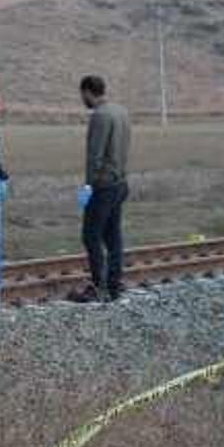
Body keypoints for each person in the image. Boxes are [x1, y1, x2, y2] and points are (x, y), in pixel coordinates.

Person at [70, 75, 131, 303]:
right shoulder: (121, 112)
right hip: (120, 182)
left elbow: (94, 156)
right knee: (113, 236)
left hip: (103, 185)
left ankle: (99, 286)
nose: (82, 99)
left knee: (91, 235)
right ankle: (114, 284)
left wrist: (88, 186)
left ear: (87, 92)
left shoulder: (100, 116)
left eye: (82, 95)